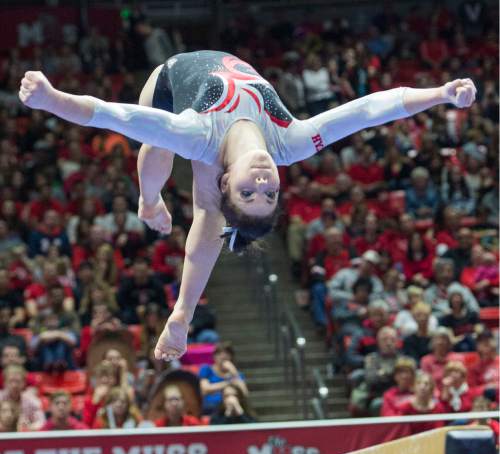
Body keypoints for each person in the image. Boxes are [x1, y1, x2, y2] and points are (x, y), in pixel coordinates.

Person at [18, 55, 477, 361]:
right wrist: (438, 94)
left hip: (170, 82)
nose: (261, 185)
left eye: (248, 194)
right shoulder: (291, 143)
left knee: (156, 148)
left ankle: (149, 200)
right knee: (201, 202)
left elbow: (107, 114)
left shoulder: (195, 133)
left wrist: (51, 101)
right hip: (211, 144)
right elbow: (369, 111)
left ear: (227, 183)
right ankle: (174, 278)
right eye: (269, 194)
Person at [199, 342, 247, 414]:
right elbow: (205, 389)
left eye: (227, 353)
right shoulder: (206, 369)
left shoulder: (236, 374)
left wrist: (234, 372)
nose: (223, 356)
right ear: (214, 357)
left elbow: (245, 393)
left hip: (232, 405)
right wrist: (228, 383)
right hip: (211, 407)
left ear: (231, 357)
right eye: (219, 354)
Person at [0, 365, 45, 430]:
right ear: (5, 383)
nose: (14, 385)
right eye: (11, 381)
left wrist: (30, 427)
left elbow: (41, 422)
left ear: (24, 383)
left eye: (17, 381)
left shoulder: (32, 400)